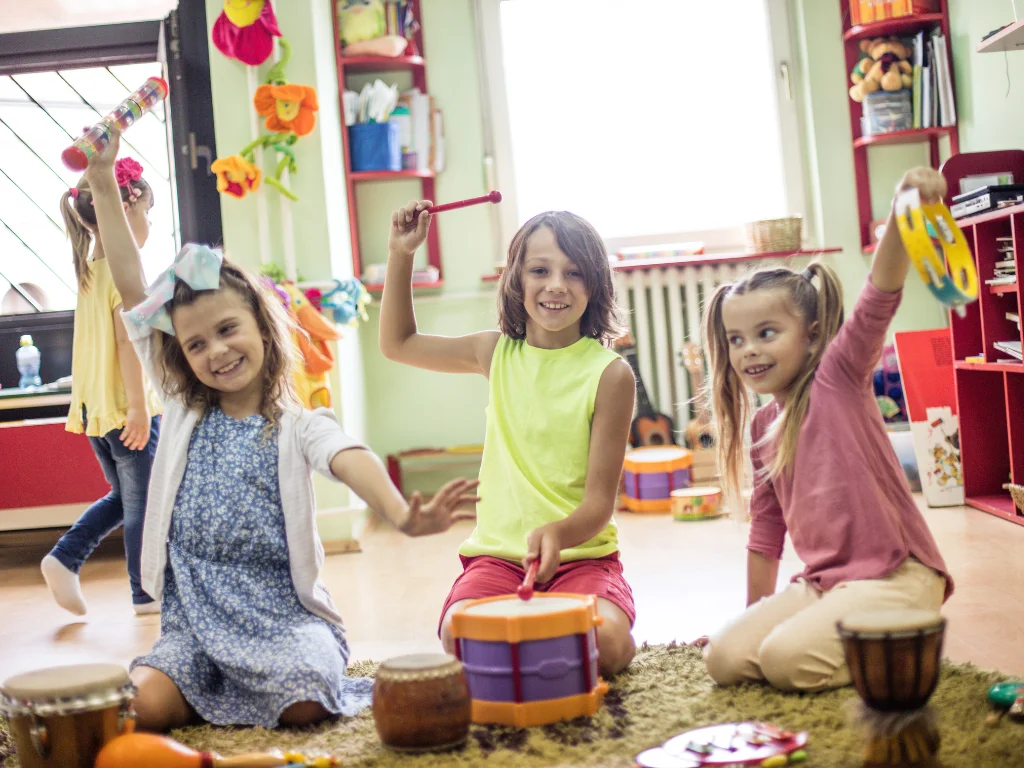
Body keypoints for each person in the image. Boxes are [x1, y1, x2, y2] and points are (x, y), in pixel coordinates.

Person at [84, 131, 478, 731]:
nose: (215, 351)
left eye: (227, 330)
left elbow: (349, 455)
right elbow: (131, 282)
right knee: (141, 709)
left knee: (304, 701)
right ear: (180, 355)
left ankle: (253, 693)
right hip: (192, 625)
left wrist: (399, 513)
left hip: (284, 620)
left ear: (264, 331)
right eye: (195, 343)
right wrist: (104, 178)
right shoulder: (184, 408)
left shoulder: (296, 424)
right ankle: (200, 690)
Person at [700, 167, 954, 692]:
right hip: (828, 586)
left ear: (812, 336)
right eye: (737, 339)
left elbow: (878, 297)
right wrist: (753, 619)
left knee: (784, 662)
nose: (749, 350)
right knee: (725, 659)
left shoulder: (838, 376)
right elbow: (767, 533)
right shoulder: (763, 425)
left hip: (897, 577)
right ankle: (835, 638)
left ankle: (902, 646)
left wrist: (903, 211)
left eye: (766, 333)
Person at [380, 201, 637, 677]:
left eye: (575, 273)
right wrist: (401, 253)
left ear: (596, 285)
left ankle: (533, 644)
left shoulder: (611, 375)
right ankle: (542, 648)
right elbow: (397, 343)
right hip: (497, 560)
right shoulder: (493, 352)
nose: (556, 285)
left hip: (582, 562)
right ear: (517, 280)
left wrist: (557, 534)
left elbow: (600, 504)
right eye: (540, 270)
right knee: (459, 636)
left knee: (610, 643)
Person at [41, 158, 162, 615]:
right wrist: (137, 407)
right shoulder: (121, 273)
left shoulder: (91, 268)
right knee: (143, 505)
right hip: (124, 407)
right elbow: (126, 342)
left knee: (124, 496)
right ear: (126, 210)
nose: (149, 223)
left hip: (96, 409)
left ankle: (64, 558)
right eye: (148, 212)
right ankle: (145, 594)